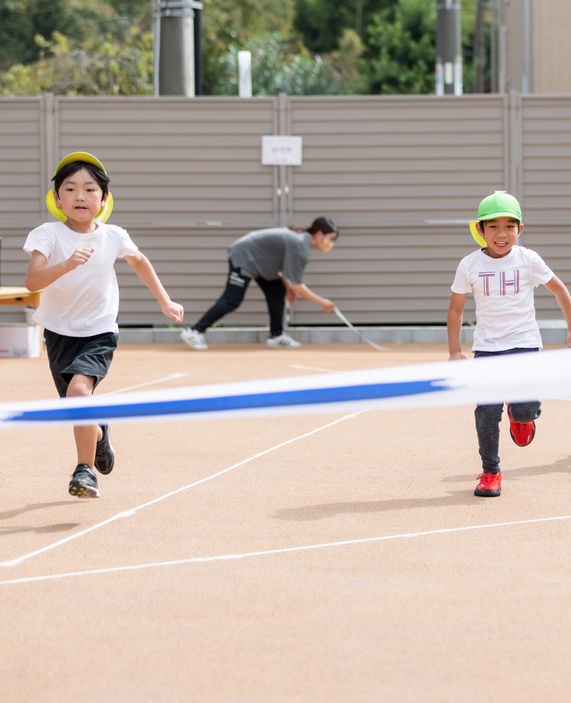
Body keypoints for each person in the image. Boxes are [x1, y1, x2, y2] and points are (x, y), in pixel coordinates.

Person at [25, 152, 184, 498]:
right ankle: (99, 431)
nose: (80, 196)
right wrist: (64, 265)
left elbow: (139, 261)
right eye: (70, 188)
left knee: (78, 393)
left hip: (99, 331)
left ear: (104, 199)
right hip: (57, 333)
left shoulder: (113, 235)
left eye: (90, 189)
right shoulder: (47, 234)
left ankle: (84, 471)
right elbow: (33, 281)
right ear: (56, 198)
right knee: (75, 407)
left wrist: (164, 300)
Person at [447, 190, 571, 497]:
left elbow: (560, 290)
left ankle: (520, 417)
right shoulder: (469, 265)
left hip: (525, 346)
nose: (501, 234)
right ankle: (490, 471)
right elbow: (456, 309)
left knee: (524, 409)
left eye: (510, 226)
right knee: (486, 411)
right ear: (480, 230)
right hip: (487, 348)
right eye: (493, 226)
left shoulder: (528, 259)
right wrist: (455, 351)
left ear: (520, 230)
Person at [180, 219, 338, 350]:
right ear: (319, 234)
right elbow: (298, 286)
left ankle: (277, 336)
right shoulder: (300, 245)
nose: (331, 244)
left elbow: (286, 270)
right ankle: (194, 331)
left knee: (277, 291)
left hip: (262, 264)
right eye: (331, 239)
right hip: (245, 257)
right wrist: (322, 303)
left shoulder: (301, 240)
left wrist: (288, 286)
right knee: (232, 299)